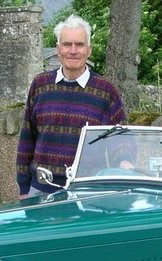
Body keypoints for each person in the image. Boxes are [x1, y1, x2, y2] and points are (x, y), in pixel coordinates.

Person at [16, 14, 129, 199]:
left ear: (89, 50)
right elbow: (27, 139)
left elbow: (121, 138)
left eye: (80, 44)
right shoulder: (40, 85)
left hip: (88, 192)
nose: (73, 50)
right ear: (58, 49)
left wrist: (125, 162)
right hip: (41, 190)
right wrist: (23, 187)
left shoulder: (106, 91)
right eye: (67, 44)